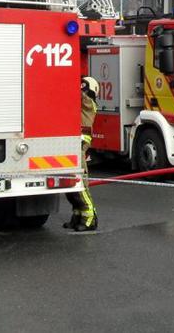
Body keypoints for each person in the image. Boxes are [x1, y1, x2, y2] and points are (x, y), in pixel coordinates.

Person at [65, 76, 99, 232]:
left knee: (80, 186)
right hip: (73, 145)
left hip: (79, 146)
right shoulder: (82, 103)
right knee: (71, 188)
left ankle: (89, 218)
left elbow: (79, 95)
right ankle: (77, 216)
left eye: (83, 86)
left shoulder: (89, 103)